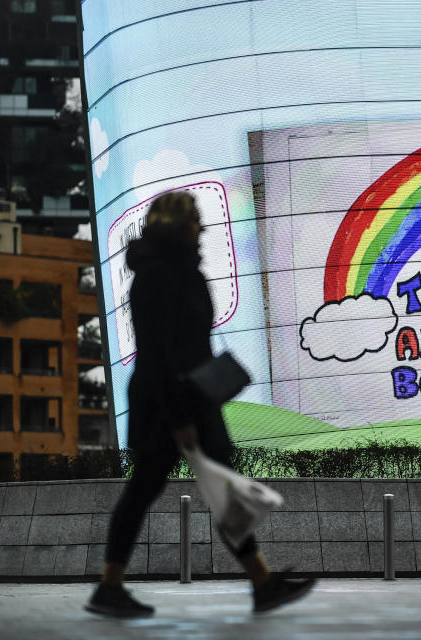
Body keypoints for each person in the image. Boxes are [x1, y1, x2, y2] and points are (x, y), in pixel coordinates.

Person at [85, 191, 315, 617]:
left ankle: (261, 582)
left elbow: (190, 345)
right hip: (167, 404)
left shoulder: (180, 272)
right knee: (145, 492)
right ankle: (110, 587)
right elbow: (158, 355)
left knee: (221, 489)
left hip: (191, 400)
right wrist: (180, 419)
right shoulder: (156, 276)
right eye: (194, 222)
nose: (201, 230)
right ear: (178, 226)